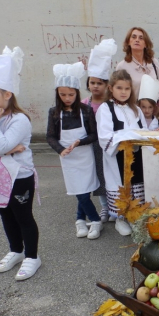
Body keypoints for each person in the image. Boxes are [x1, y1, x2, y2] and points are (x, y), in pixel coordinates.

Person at [0, 46, 41, 280]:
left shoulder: (19, 119)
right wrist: (8, 149)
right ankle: (16, 251)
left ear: (7, 94)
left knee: (23, 216)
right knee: (6, 216)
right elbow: (0, 148)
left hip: (20, 177)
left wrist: (3, 146)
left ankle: (32, 256)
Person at [47, 62, 102, 239]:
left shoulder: (86, 110)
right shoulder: (54, 112)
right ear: (57, 94)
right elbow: (50, 136)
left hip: (85, 155)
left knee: (84, 191)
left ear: (77, 93)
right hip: (68, 158)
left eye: (71, 94)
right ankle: (94, 219)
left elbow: (94, 134)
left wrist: (80, 141)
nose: (67, 98)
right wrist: (60, 149)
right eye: (62, 94)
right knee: (79, 191)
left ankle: (81, 219)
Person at [96, 69, 147, 235]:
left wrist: (142, 138)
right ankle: (120, 218)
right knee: (120, 184)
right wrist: (126, 138)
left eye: (127, 88)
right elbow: (104, 136)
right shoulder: (106, 108)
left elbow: (144, 130)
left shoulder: (136, 109)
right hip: (118, 156)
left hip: (136, 155)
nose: (123, 92)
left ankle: (134, 216)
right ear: (111, 88)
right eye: (119, 88)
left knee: (136, 184)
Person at [82, 38, 117, 223]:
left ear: (106, 85)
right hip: (91, 146)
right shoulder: (84, 104)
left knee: (110, 176)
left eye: (99, 83)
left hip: (108, 145)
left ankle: (114, 206)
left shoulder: (111, 105)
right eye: (92, 82)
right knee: (98, 177)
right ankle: (104, 206)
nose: (95, 86)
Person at [116, 27, 159, 96]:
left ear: (146, 44)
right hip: (134, 106)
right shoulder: (122, 66)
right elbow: (118, 91)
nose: (137, 40)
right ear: (129, 42)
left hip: (153, 106)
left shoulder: (153, 62)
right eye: (134, 37)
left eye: (141, 38)